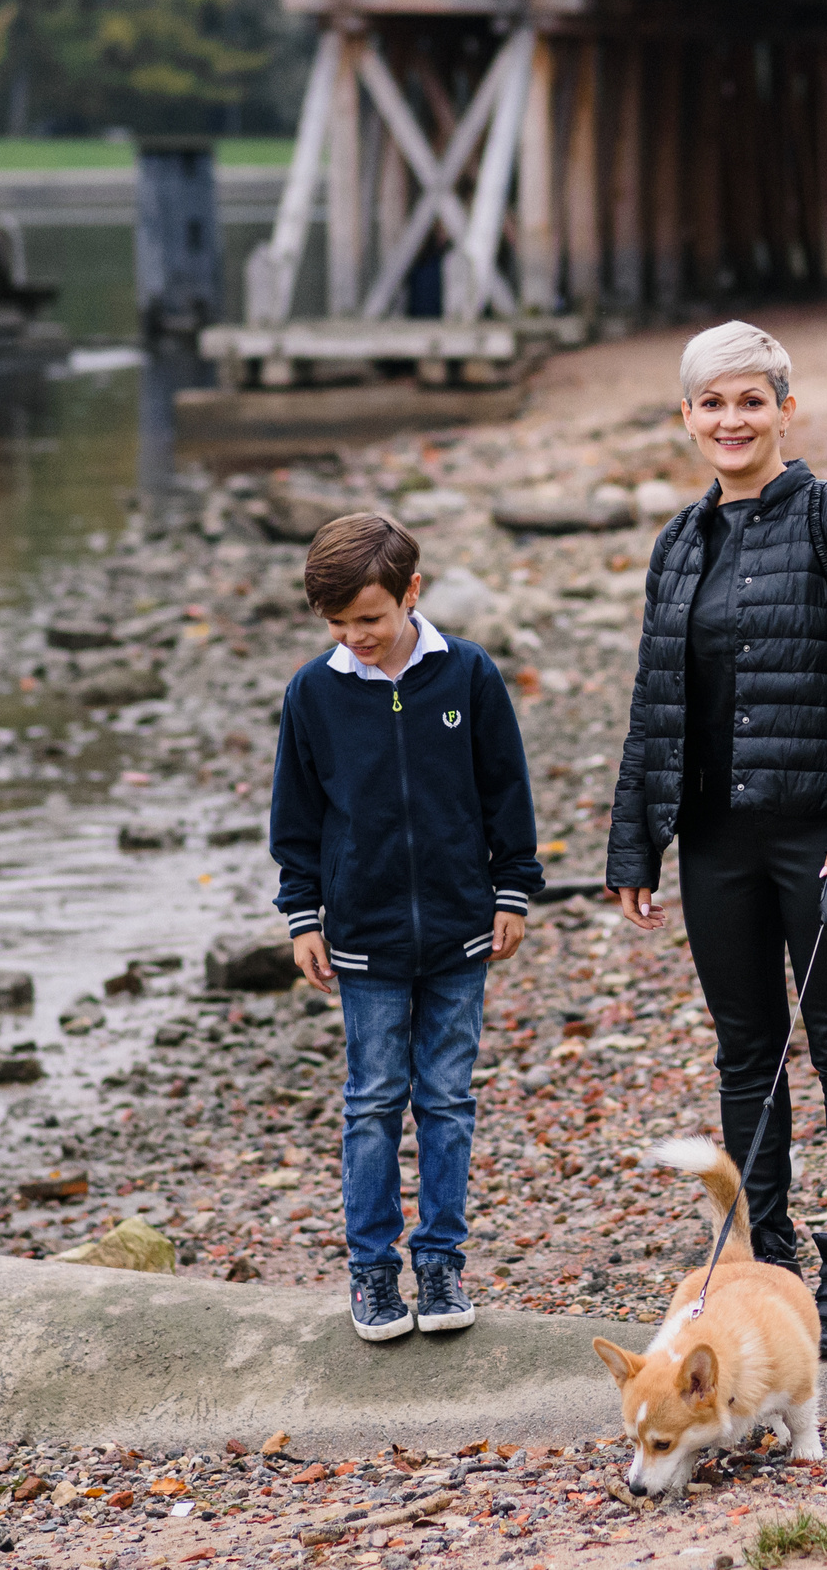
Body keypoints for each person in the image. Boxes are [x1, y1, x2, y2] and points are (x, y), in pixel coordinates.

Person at [606, 321, 827, 1359]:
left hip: (822, 837)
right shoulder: (679, 542)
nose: (729, 421)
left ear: (787, 407)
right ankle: (764, 1260)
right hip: (715, 843)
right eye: (710, 404)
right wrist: (633, 843)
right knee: (746, 1054)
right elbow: (655, 703)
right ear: (686, 418)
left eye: (749, 400)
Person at [270, 511, 544, 1343]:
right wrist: (302, 913)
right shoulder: (314, 693)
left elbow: (506, 789)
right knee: (374, 1100)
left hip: (462, 929)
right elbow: (298, 814)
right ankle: (372, 1271)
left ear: (410, 594)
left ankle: (441, 1260)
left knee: (449, 1099)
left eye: (370, 619)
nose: (355, 636)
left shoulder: (467, 675)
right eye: (339, 623)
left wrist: (513, 890)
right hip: (364, 937)